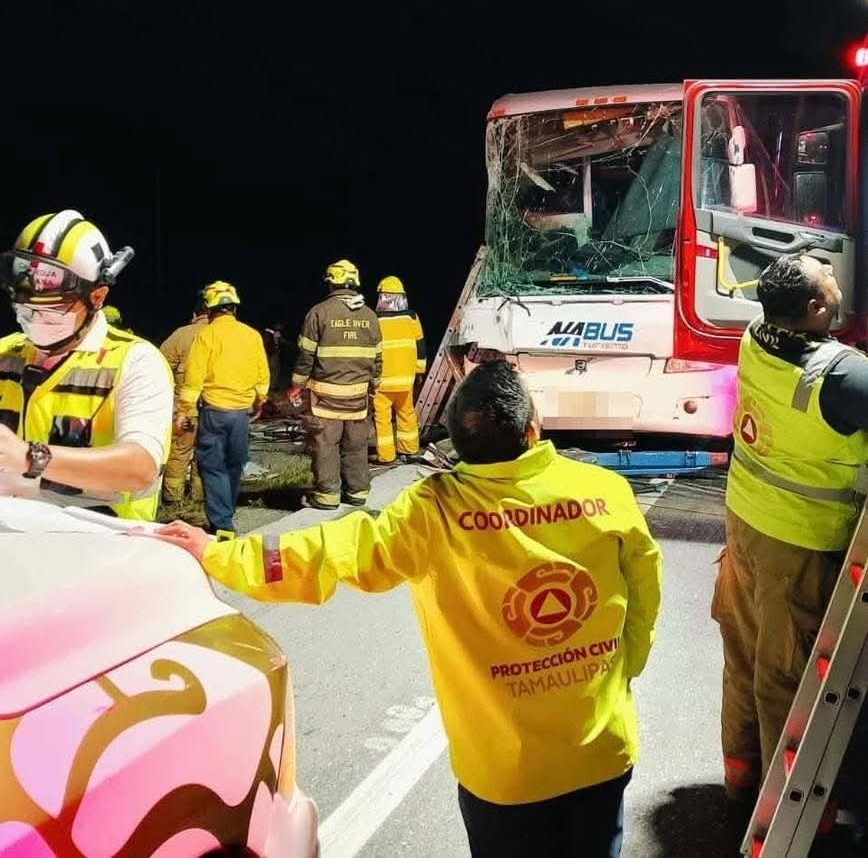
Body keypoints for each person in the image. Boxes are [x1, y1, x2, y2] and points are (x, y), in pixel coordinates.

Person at [157, 360, 663, 857]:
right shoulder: (604, 491)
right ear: (533, 429)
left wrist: (218, 554)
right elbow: (644, 591)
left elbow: (325, 553)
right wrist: (622, 672)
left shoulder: (434, 511)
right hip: (600, 749)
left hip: (506, 772)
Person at [712, 254, 868, 813]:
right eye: (828, 280)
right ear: (814, 308)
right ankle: (791, 808)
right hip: (798, 541)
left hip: (744, 521)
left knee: (745, 656)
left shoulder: (756, 334)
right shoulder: (841, 375)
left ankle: (740, 774)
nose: (834, 275)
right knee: (787, 675)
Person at [0, 209, 172, 519]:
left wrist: (29, 458)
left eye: (52, 313)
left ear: (97, 297)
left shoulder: (135, 362)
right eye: (25, 312)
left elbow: (140, 467)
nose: (35, 323)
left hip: (104, 543)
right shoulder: (5, 354)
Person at [176, 280, 270, 534]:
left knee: (213, 466)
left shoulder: (205, 336)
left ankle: (222, 523)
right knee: (234, 464)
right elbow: (262, 374)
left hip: (214, 413)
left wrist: (186, 410)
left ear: (210, 307)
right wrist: (260, 400)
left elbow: (193, 379)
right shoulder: (252, 335)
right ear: (234, 307)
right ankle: (226, 512)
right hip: (241, 414)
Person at [289, 259, 382, 510]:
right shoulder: (370, 316)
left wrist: (297, 383)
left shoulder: (319, 312)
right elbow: (377, 357)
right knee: (356, 445)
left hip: (325, 398)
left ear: (332, 283)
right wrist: (374, 383)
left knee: (326, 445)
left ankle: (327, 495)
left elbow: (306, 354)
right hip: (358, 398)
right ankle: (357, 492)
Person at [159, 290, 209, 515]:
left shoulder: (181, 335)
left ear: (194, 313)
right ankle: (199, 497)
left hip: (185, 411)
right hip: (214, 410)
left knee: (179, 452)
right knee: (205, 453)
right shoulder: (223, 335)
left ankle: (172, 498)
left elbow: (159, 364)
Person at [372, 275, 426, 464]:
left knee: (382, 419)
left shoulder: (375, 319)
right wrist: (420, 370)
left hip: (383, 381)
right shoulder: (411, 317)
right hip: (405, 379)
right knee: (406, 413)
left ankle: (387, 456)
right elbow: (420, 346)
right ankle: (410, 450)